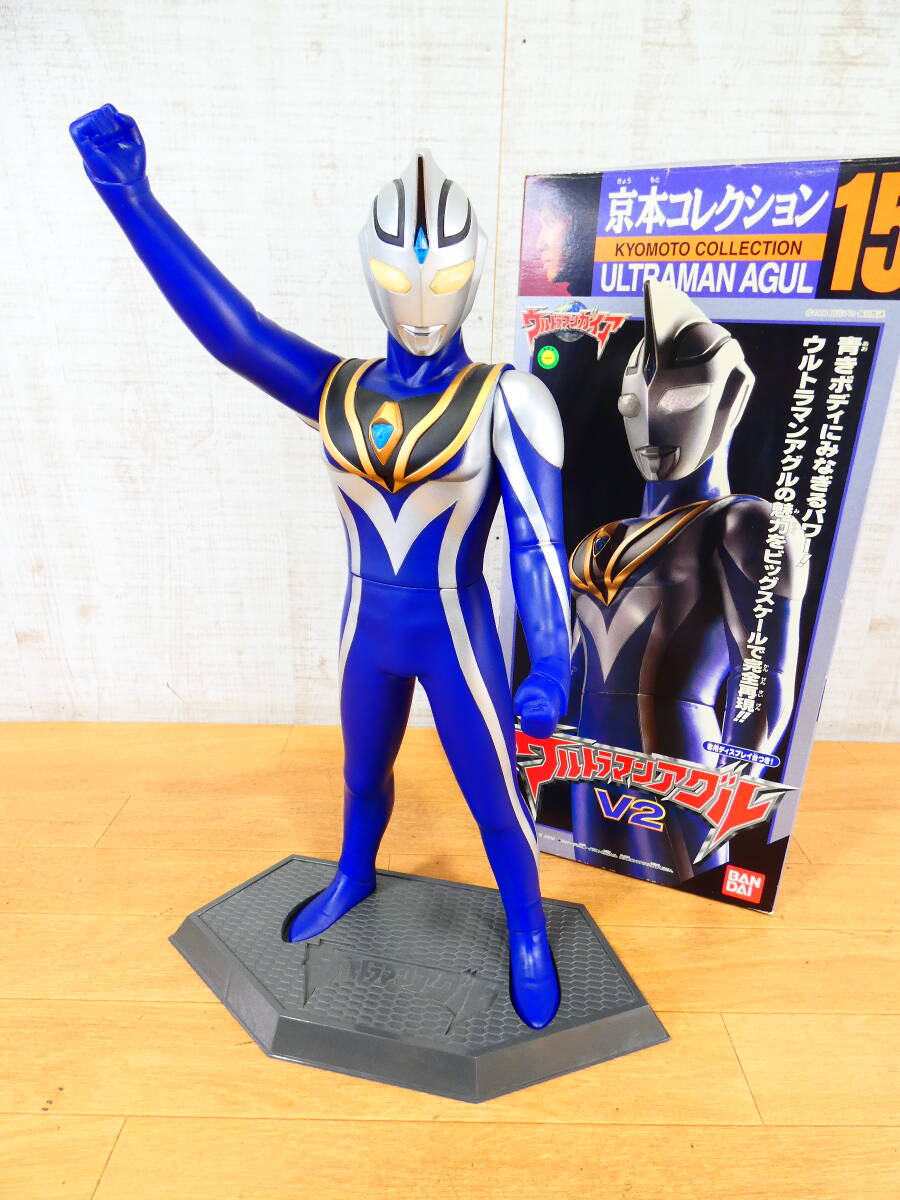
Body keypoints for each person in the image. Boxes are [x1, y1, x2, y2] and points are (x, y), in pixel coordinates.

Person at [70, 104, 571, 1028]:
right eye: (400, 278)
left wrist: (550, 665)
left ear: (471, 273)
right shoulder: (337, 387)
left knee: (495, 797)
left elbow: (539, 545)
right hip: (366, 629)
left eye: (443, 278)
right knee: (361, 775)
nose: (421, 302)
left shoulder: (511, 399)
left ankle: (528, 929)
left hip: (454, 631)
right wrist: (131, 196)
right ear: (372, 274)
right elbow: (235, 335)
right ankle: (353, 871)